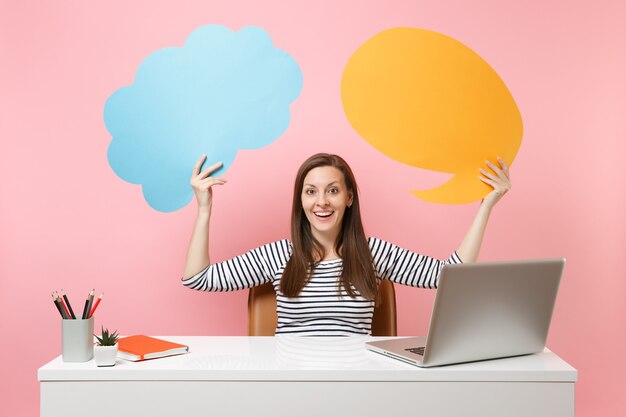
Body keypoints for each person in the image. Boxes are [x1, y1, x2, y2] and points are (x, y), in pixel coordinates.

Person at [182, 153, 511, 336]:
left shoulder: (373, 253)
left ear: (349, 197)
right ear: (300, 200)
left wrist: (486, 207)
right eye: (311, 191)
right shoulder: (279, 255)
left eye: (333, 190)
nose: (321, 202)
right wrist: (205, 209)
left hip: (357, 389)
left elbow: (448, 276)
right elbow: (199, 278)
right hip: (291, 387)